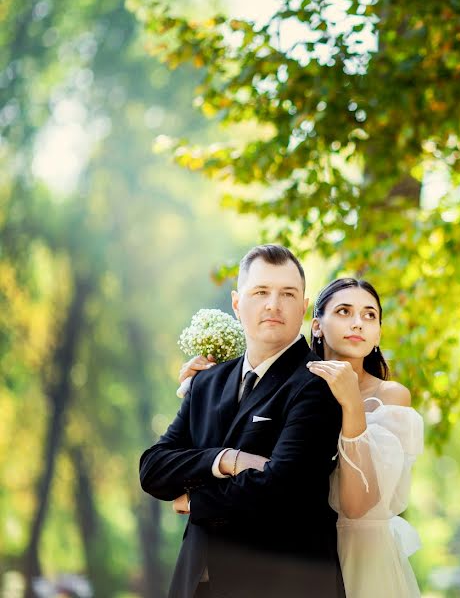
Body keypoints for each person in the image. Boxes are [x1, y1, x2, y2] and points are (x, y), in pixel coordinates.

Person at [182, 278, 424, 597]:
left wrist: (351, 404)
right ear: (317, 325)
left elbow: (355, 505)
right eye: (343, 311)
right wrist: (200, 391)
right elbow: (247, 466)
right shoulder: (287, 389)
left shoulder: (389, 397)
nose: (358, 323)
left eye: (369, 315)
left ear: (379, 332)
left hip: (364, 558)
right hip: (296, 555)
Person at [139, 245, 345, 598]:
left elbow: (281, 488)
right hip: (196, 582)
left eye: (287, 294)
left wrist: (194, 499)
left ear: (304, 305)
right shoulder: (206, 382)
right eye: (261, 291)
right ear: (237, 302)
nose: (273, 304)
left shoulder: (317, 383)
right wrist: (225, 460)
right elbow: (153, 469)